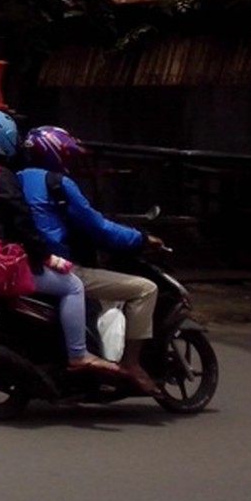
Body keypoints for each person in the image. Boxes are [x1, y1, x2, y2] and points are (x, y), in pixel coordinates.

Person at [0, 109, 122, 377]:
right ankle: (78, 355)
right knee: (73, 286)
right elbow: (22, 223)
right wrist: (45, 256)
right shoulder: (1, 176)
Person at [19, 126, 161, 392]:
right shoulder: (59, 184)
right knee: (145, 289)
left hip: (25, 262)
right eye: (68, 156)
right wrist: (141, 239)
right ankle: (131, 363)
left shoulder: (15, 179)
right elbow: (99, 228)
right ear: (56, 154)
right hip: (60, 266)